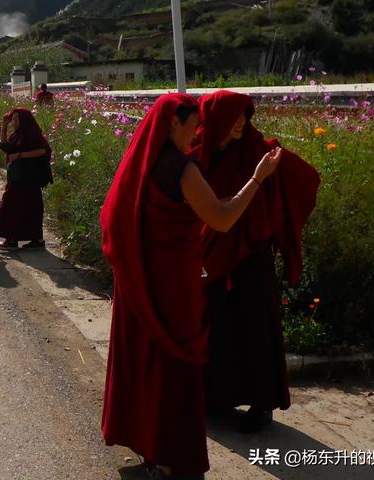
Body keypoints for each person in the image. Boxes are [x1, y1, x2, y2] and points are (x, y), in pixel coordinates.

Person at [99, 93, 282, 480]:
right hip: (174, 286)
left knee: (148, 364)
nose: (198, 131)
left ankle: (150, 449)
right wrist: (256, 179)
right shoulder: (181, 169)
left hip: (140, 281)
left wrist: (134, 269)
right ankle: (171, 462)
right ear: (172, 124)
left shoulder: (142, 163)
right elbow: (220, 218)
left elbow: (112, 218)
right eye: (192, 124)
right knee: (177, 371)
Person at [194, 90, 320, 433]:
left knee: (255, 324)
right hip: (211, 253)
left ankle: (262, 403)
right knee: (217, 323)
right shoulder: (197, 152)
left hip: (251, 253)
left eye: (244, 115)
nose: (240, 122)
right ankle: (217, 397)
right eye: (233, 115)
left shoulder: (259, 151)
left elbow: (304, 181)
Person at [0, 108, 52, 251]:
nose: (14, 122)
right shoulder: (17, 135)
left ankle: (13, 239)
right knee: (26, 207)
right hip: (18, 177)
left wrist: (20, 155)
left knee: (15, 207)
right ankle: (33, 238)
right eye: (13, 119)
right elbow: (6, 147)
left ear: (24, 120)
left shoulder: (32, 134)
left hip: (29, 177)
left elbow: (44, 150)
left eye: (17, 119)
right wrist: (4, 127)